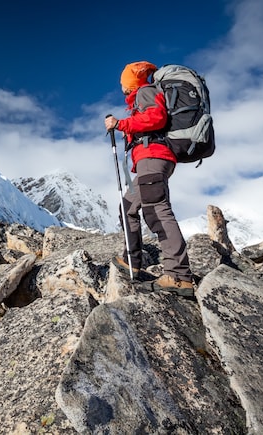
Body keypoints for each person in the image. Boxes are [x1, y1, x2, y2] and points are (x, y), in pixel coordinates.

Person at [104, 61, 195, 296]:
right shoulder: (140, 98)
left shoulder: (145, 92)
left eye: (123, 81)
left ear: (130, 82)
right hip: (148, 160)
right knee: (128, 207)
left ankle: (178, 275)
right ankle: (131, 261)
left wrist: (121, 124)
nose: (121, 86)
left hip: (153, 157)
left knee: (156, 210)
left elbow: (157, 119)